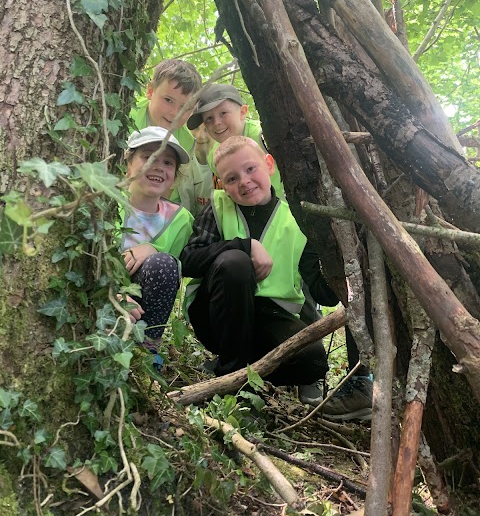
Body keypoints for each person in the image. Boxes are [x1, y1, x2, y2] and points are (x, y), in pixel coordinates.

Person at [180, 136, 337, 392]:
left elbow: (323, 293)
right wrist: (245, 245)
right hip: (216, 315)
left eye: (250, 169)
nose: (244, 181)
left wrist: (346, 269)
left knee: (313, 360)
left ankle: (248, 369)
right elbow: (188, 261)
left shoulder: (295, 219)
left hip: (268, 318)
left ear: (269, 165)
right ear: (222, 184)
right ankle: (231, 378)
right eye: (231, 178)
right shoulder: (218, 207)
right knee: (235, 262)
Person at [120, 126, 193, 370]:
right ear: (128, 161)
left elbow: (193, 259)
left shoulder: (180, 219)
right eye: (148, 156)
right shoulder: (106, 203)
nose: (159, 166)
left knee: (163, 264)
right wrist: (113, 296)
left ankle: (147, 353)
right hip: (104, 299)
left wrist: (153, 248)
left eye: (168, 162)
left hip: (146, 308)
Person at [130, 59, 208, 216]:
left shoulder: (186, 141)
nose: (175, 113)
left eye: (185, 108)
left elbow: (166, 188)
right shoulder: (128, 117)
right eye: (168, 100)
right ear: (150, 91)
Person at [186, 84, 285, 199]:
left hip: (284, 211)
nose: (216, 122)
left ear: (242, 112)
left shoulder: (263, 137)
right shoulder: (214, 155)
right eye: (209, 118)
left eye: (223, 113)